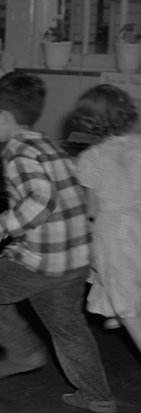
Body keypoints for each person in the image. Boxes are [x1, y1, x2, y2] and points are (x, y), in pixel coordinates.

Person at [0, 73, 116, 413]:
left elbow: (41, 199)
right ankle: (98, 396)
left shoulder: (17, 152)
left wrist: (2, 224)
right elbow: (71, 200)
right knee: (68, 328)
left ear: (4, 118)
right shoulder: (51, 146)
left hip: (44, 261)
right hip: (76, 258)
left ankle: (23, 351)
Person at [71, 84, 141, 356]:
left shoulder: (90, 158)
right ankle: (115, 307)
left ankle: (121, 311)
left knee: (125, 301)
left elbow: (91, 209)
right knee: (127, 278)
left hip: (115, 230)